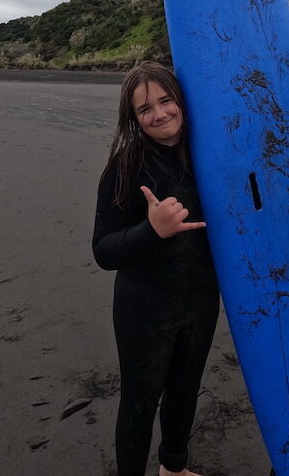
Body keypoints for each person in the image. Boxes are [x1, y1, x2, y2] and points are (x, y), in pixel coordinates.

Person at [93, 61, 219, 476]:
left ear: (182, 102)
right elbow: (104, 250)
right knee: (140, 401)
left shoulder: (211, 154)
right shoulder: (125, 167)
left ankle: (173, 468)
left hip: (201, 299)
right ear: (133, 118)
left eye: (166, 101)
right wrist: (152, 230)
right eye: (145, 109)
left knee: (184, 390)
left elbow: (258, 187)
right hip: (144, 309)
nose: (160, 113)